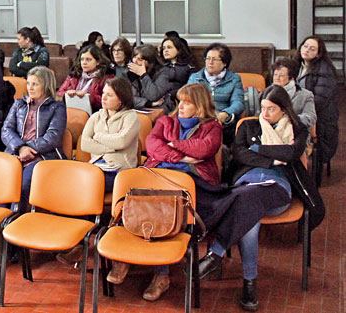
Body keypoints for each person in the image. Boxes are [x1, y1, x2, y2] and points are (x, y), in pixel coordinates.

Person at [196, 85, 324, 311]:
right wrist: (272, 158)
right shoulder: (248, 125)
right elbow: (240, 153)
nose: (264, 114)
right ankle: (249, 284)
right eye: (263, 108)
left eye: (271, 110)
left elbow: (292, 154)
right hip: (247, 184)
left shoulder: (297, 129)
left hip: (278, 188)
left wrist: (258, 148)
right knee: (249, 217)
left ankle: (216, 253)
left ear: (284, 110)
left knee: (245, 201)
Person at [120, 83, 223, 301]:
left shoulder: (212, 126)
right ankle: (127, 257)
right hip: (159, 175)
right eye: (181, 101)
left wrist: (173, 143)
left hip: (192, 182)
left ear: (200, 105)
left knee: (163, 209)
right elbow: (152, 144)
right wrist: (181, 155)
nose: (182, 106)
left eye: (188, 102)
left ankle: (161, 274)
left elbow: (205, 148)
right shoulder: (167, 120)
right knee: (133, 200)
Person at [1, 66, 66, 216]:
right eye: (28, 83)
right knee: (4, 181)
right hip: (16, 151)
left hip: (41, 156)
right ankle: (2, 221)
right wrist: (20, 148)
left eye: (35, 84)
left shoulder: (57, 107)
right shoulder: (19, 104)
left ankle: (15, 220)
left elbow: (53, 137)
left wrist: (28, 149)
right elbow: (6, 130)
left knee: (23, 185)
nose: (30, 87)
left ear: (46, 84)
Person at [79, 77, 140, 194]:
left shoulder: (130, 117)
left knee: (88, 185)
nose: (104, 98)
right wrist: (111, 148)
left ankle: (85, 212)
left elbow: (122, 141)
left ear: (121, 99)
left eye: (110, 95)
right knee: (73, 180)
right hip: (96, 167)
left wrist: (98, 136)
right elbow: (85, 144)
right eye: (103, 93)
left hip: (120, 171)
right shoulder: (96, 116)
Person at [187, 43, 245, 144]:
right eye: (208, 58)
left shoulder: (234, 79)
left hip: (222, 121)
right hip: (199, 119)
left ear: (224, 63)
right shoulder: (195, 78)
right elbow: (188, 99)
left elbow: (238, 103)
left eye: (214, 59)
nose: (210, 62)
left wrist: (225, 113)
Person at [295, 35, 338, 164]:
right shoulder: (296, 65)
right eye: (305, 46)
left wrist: (296, 112)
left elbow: (319, 100)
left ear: (318, 54)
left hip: (319, 117)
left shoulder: (325, 70)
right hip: (299, 111)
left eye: (312, 49)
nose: (307, 50)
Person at [56, 44, 111, 111]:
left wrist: (89, 97)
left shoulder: (106, 77)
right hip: (71, 112)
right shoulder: (74, 74)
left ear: (98, 62)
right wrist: (66, 95)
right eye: (82, 59)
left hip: (95, 114)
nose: (84, 63)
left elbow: (108, 100)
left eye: (88, 60)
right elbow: (59, 94)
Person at [270, 57, 316, 136]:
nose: (277, 78)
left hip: (296, 135)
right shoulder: (267, 93)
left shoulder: (305, 95)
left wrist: (288, 119)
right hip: (270, 133)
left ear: (291, 78)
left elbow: (311, 117)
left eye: (281, 75)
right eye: (275, 74)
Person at [126, 45, 173, 110]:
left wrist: (143, 75)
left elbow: (153, 96)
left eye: (140, 59)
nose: (135, 61)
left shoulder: (162, 72)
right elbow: (127, 98)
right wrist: (148, 103)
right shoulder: (129, 73)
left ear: (150, 62)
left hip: (158, 109)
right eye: (134, 57)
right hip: (137, 108)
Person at [158, 34, 195, 110]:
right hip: (162, 101)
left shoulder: (189, 67)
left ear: (178, 49)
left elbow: (191, 87)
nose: (166, 50)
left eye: (169, 47)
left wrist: (173, 94)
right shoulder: (160, 67)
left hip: (182, 101)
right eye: (164, 48)